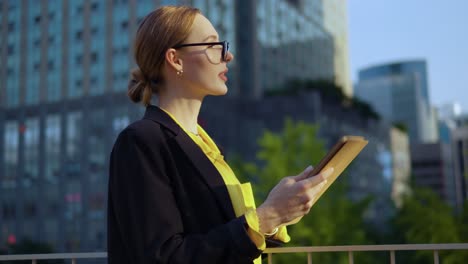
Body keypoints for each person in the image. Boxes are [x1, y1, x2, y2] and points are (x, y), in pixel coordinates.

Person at [107, 5, 334, 264]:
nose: (228, 56)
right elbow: (162, 256)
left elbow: (220, 235)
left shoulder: (204, 143)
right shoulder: (141, 140)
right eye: (213, 45)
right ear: (175, 59)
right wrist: (267, 215)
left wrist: (280, 213)